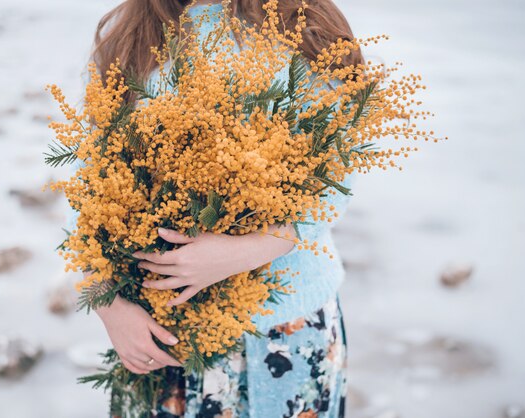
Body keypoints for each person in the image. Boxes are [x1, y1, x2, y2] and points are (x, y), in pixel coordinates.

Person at [71, 1, 364, 416]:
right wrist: (109, 306)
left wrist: (245, 251)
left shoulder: (307, 24)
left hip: (290, 331)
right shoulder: (130, 37)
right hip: (163, 338)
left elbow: (337, 177)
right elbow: (84, 199)